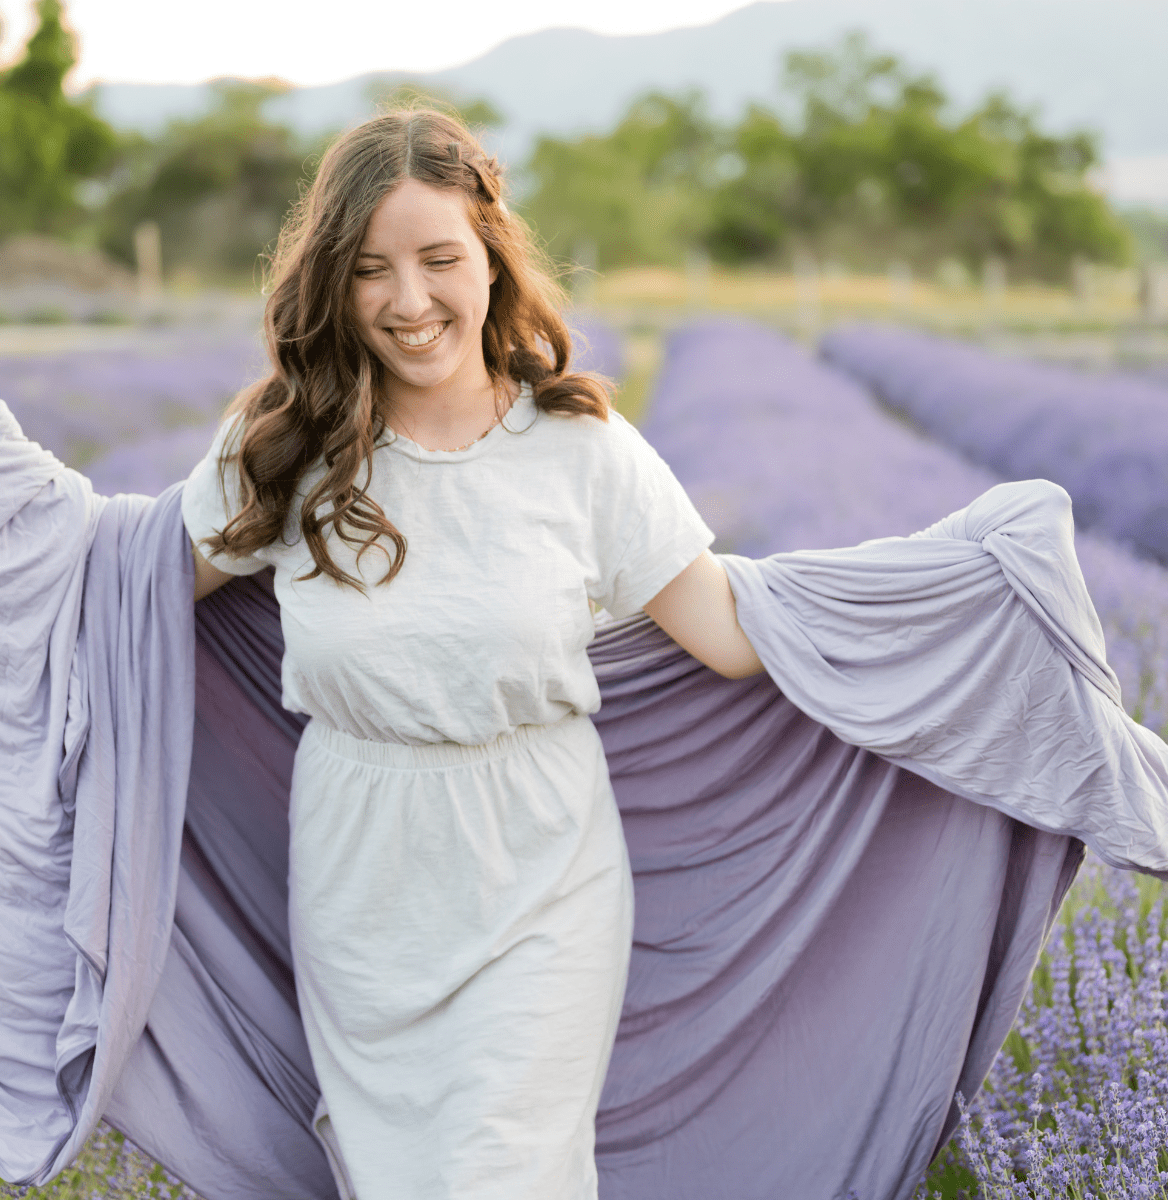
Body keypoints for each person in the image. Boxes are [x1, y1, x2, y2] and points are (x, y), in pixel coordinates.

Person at [181, 107, 763, 1200]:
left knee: (507, 1172)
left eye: (440, 259)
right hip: (364, 876)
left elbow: (730, 634)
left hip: (541, 865)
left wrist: (947, 598)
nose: (408, 301)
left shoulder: (582, 447)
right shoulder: (282, 447)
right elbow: (131, 592)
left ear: (492, 258)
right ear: (332, 286)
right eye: (369, 271)